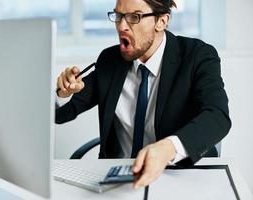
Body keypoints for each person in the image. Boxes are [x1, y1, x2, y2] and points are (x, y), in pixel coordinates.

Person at [55, 0, 231, 189]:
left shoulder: (197, 56)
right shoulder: (109, 60)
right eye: (119, 16)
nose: (122, 26)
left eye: (134, 17)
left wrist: (168, 149)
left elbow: (217, 117)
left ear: (161, 21)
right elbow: (60, 114)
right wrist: (61, 93)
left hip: (178, 176)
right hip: (118, 179)